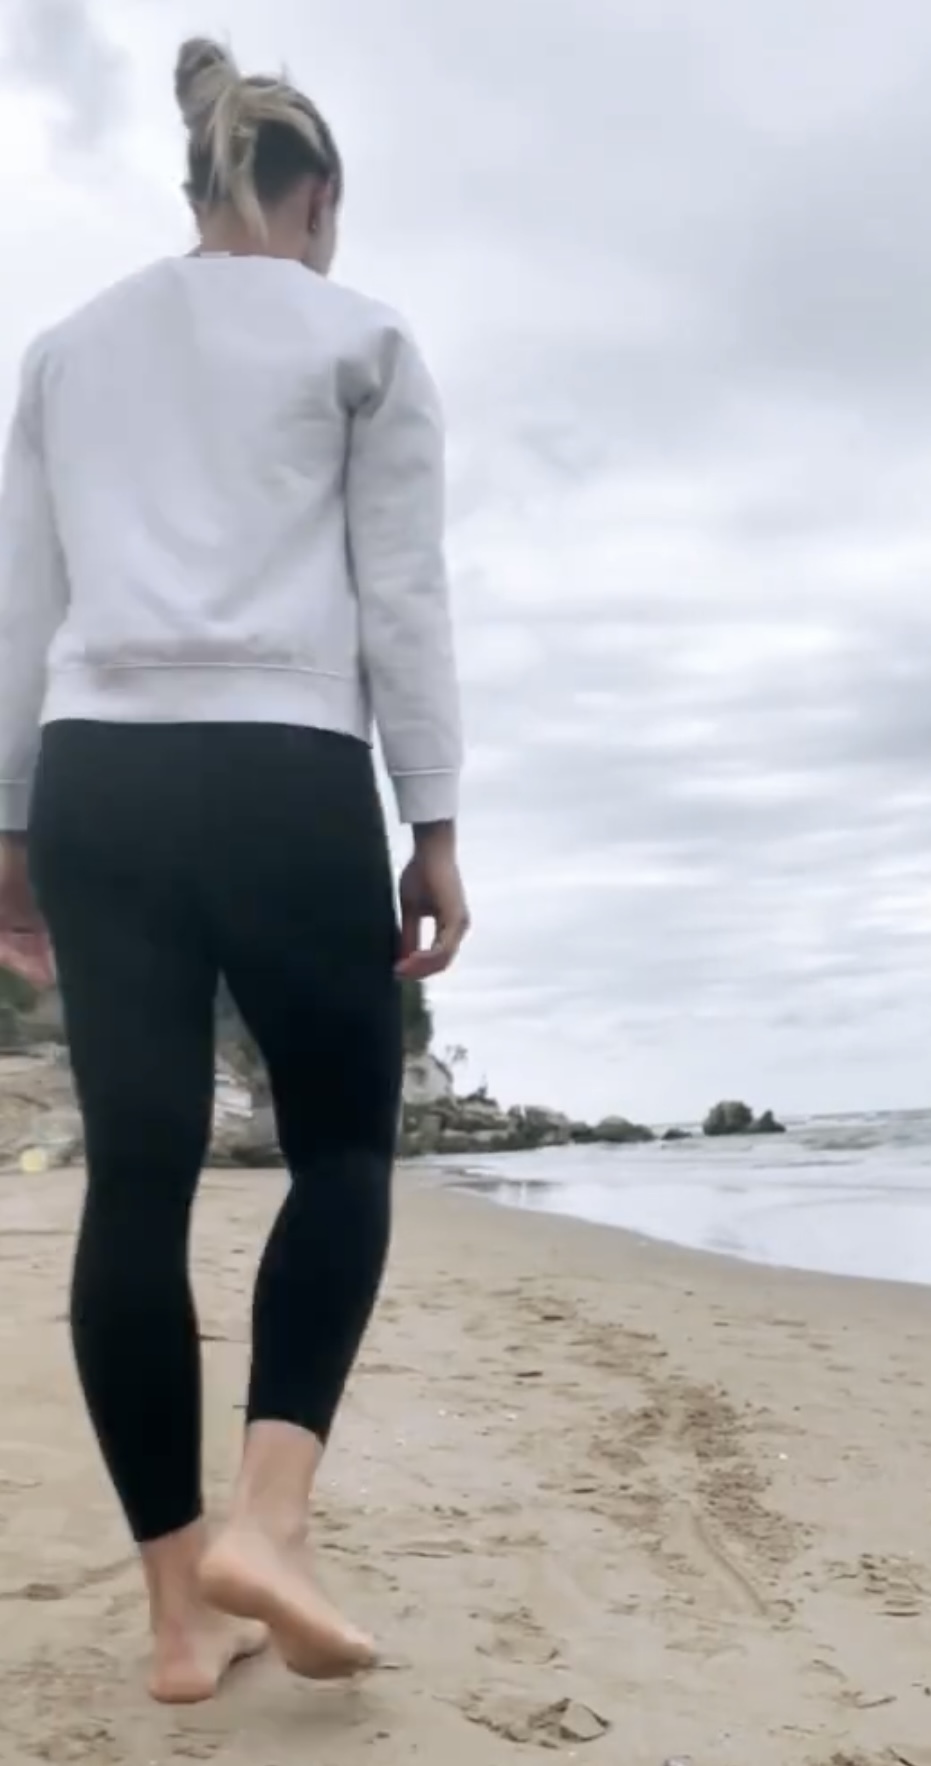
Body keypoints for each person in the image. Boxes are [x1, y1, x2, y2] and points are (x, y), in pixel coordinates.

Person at [0, 36, 469, 1705]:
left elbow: (23, 597)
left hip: (100, 775)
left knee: (137, 1178)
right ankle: (267, 1522)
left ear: (201, 181)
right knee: (340, 1144)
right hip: (285, 768)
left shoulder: (68, 349)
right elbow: (402, 594)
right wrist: (432, 818)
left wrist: (8, 825)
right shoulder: (362, 337)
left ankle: (178, 1617)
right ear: (316, 196)